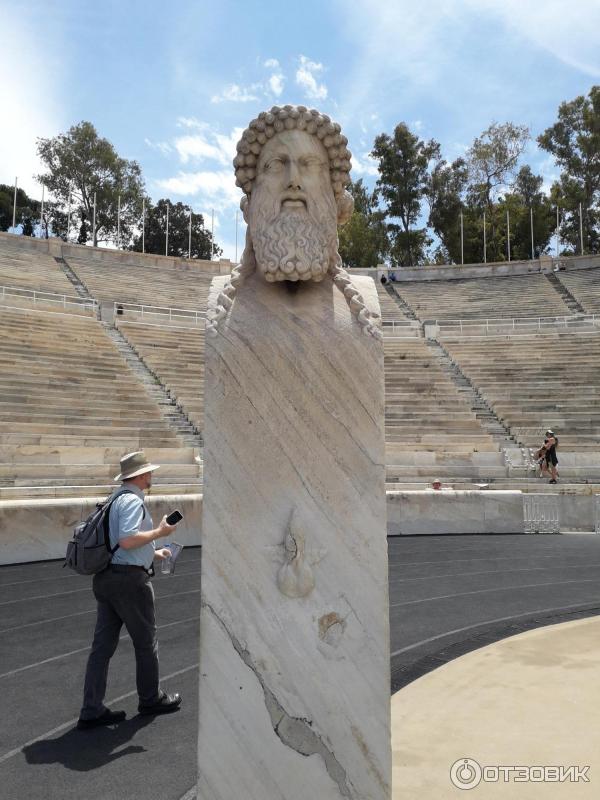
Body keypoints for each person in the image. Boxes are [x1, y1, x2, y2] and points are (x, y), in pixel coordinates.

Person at [77, 451, 182, 729]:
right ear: (140, 475)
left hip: (107, 579)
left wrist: (154, 553)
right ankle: (150, 699)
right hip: (129, 583)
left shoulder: (114, 499)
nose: (151, 476)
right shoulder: (133, 502)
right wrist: (160, 533)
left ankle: (91, 708)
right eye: (148, 472)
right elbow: (127, 540)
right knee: (146, 642)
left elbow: (120, 543)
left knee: (102, 648)